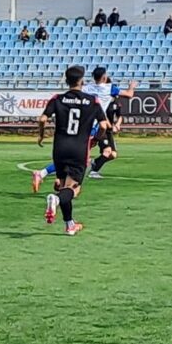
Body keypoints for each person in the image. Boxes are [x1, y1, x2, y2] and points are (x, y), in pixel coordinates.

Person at [37, 66, 109, 236]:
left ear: (66, 81)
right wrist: (96, 139)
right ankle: (55, 199)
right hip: (79, 148)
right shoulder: (93, 101)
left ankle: (70, 224)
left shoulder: (58, 98)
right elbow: (104, 126)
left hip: (60, 148)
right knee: (73, 188)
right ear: (82, 82)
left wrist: (41, 135)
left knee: (64, 186)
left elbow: (42, 119)